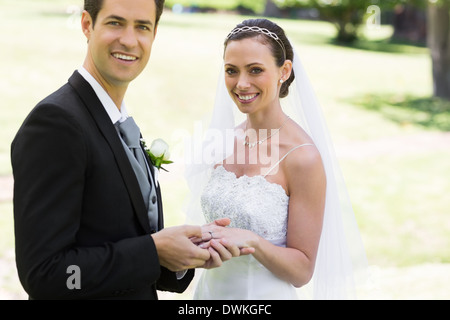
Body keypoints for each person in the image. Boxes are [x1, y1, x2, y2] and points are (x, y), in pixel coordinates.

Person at [11, 0, 239, 300]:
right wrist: (153, 251)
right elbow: (47, 275)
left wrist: (181, 251)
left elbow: (122, 234)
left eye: (142, 27)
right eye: (115, 22)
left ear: (154, 34)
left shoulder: (115, 117)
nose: (130, 40)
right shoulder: (56, 124)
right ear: (86, 25)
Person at [186, 19, 367, 300]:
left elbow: (302, 271)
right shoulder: (223, 141)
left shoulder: (302, 157)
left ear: (284, 71)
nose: (241, 83)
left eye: (255, 70)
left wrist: (253, 241)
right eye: (231, 71)